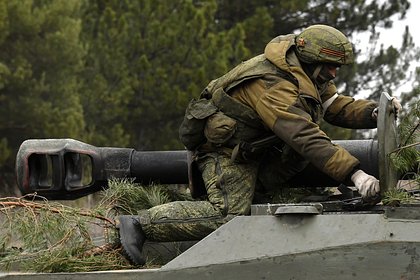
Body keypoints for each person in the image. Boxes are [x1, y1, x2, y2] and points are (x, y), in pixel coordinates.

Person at [117, 24, 402, 265]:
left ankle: (261, 198)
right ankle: (141, 223)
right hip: (227, 153)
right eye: (330, 67)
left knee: (280, 200)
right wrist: (356, 173)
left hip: (261, 149)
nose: (334, 74)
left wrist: (371, 112)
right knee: (229, 216)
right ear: (313, 59)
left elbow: (331, 104)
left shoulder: (303, 69)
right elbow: (305, 136)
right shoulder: (272, 84)